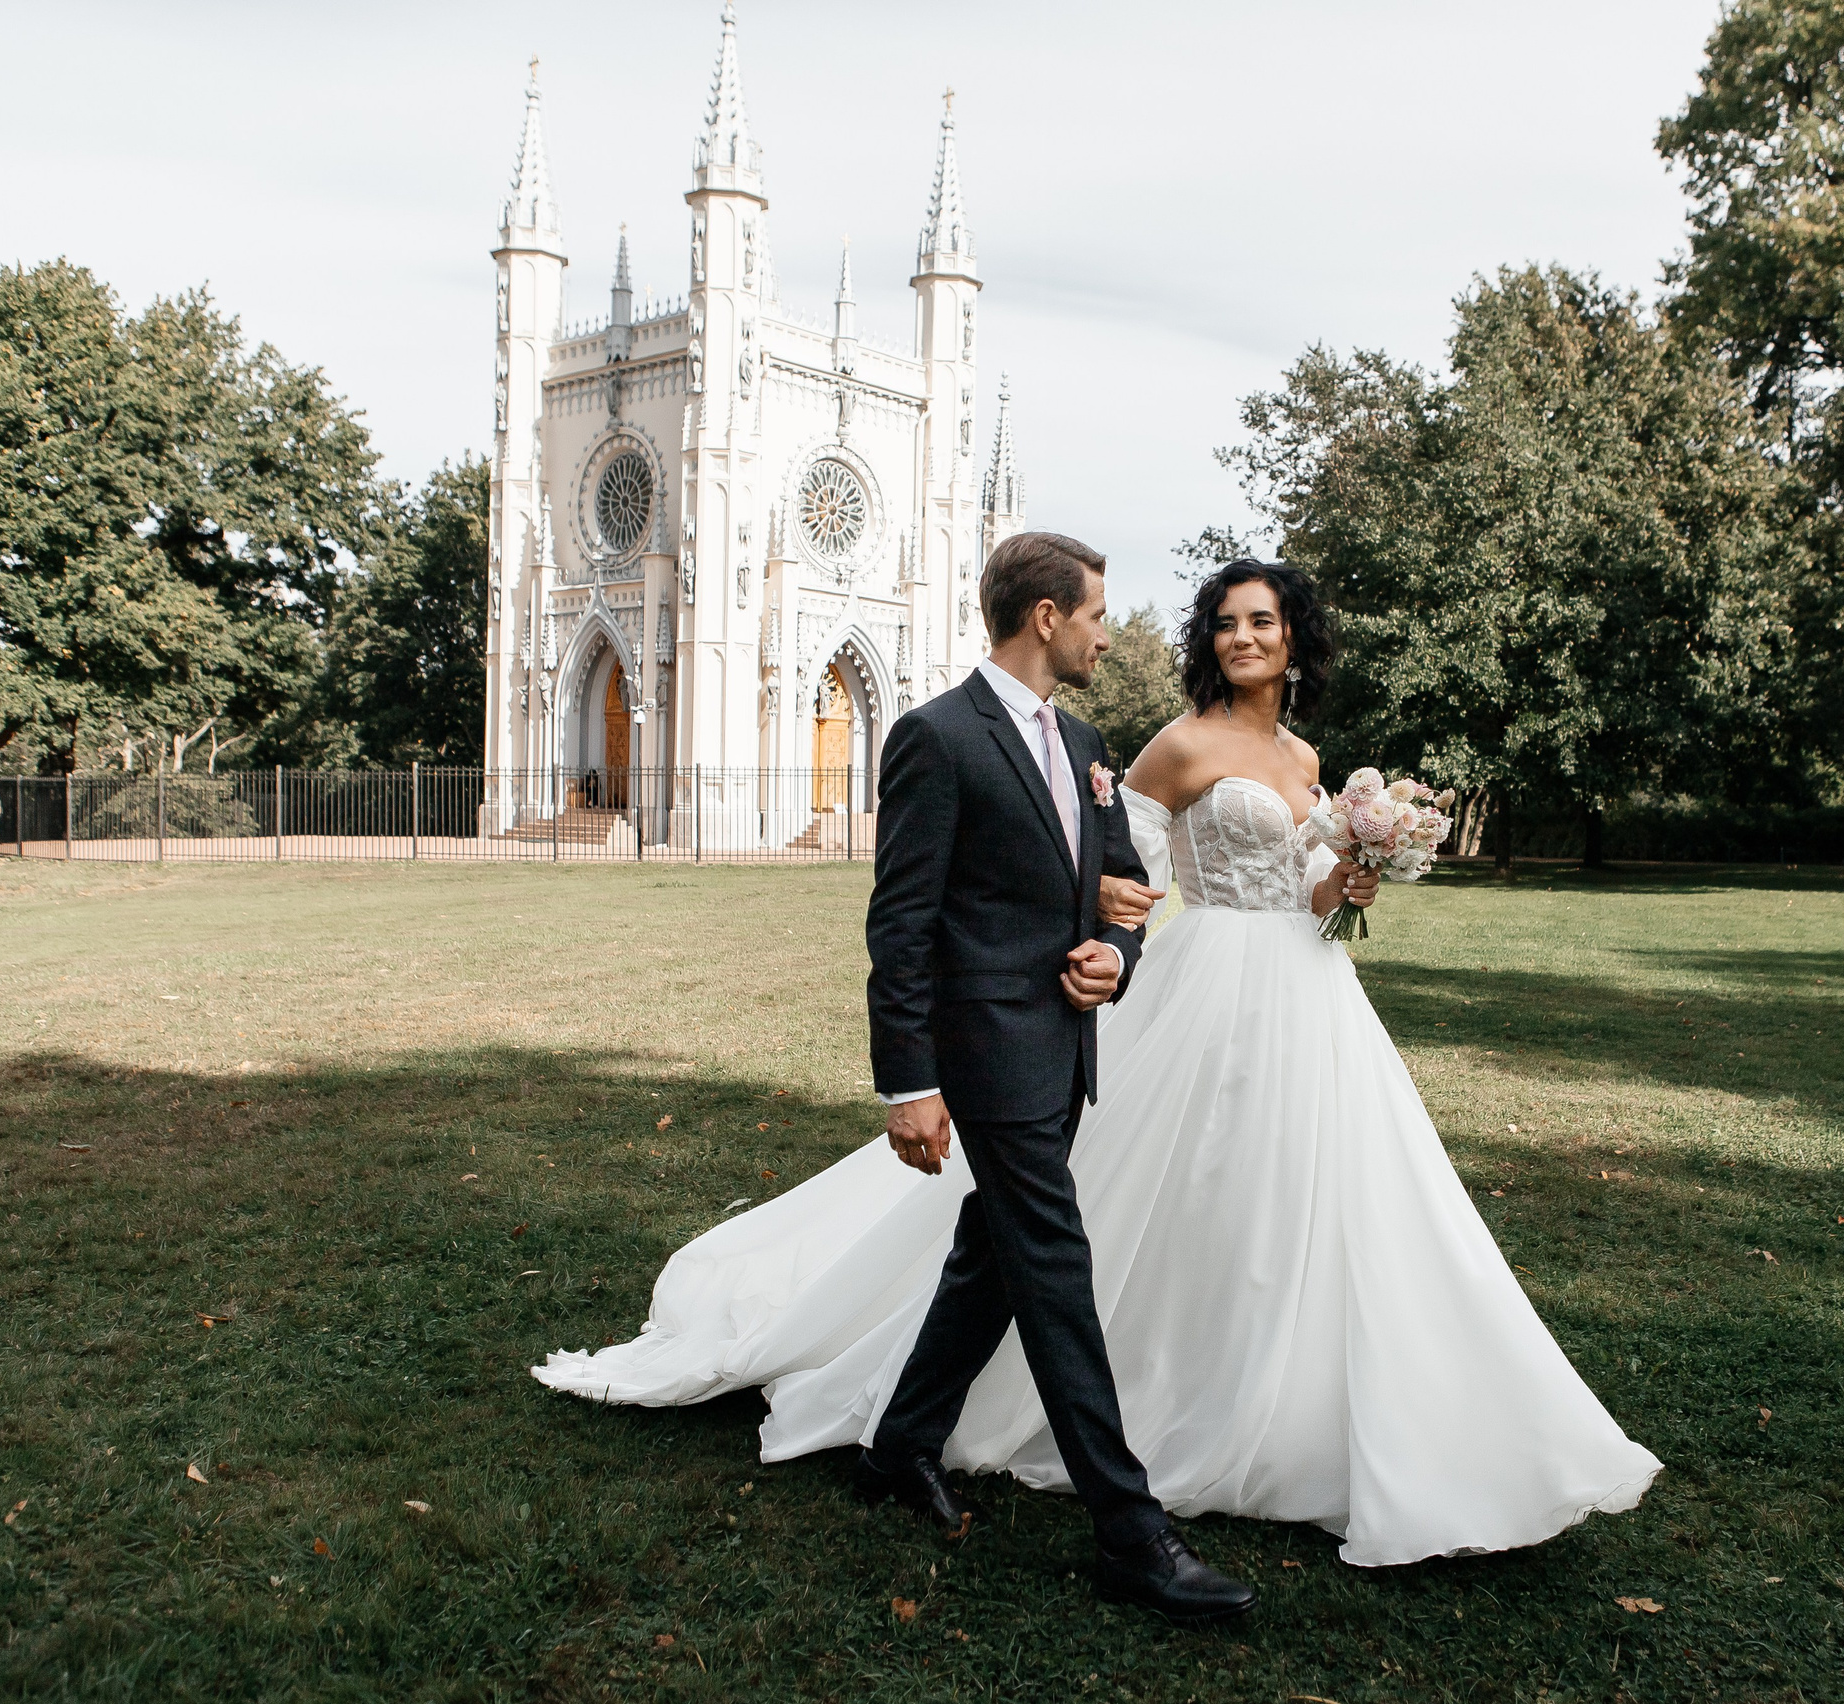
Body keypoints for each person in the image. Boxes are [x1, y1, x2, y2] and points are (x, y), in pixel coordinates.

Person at [532, 554, 1657, 1603]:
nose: (1234, 639)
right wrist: (935, 1062)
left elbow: (1165, 890)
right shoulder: (1091, 742)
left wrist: (1355, 870)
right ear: (1049, 617)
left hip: (1289, 1003)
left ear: (1295, 637)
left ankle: (905, 1441)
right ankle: (1130, 1529)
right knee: (1059, 1246)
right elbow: (1014, 904)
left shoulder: (1201, 753)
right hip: (1149, 1005)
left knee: (1044, 1240)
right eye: (1220, 624)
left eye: (1259, 623)